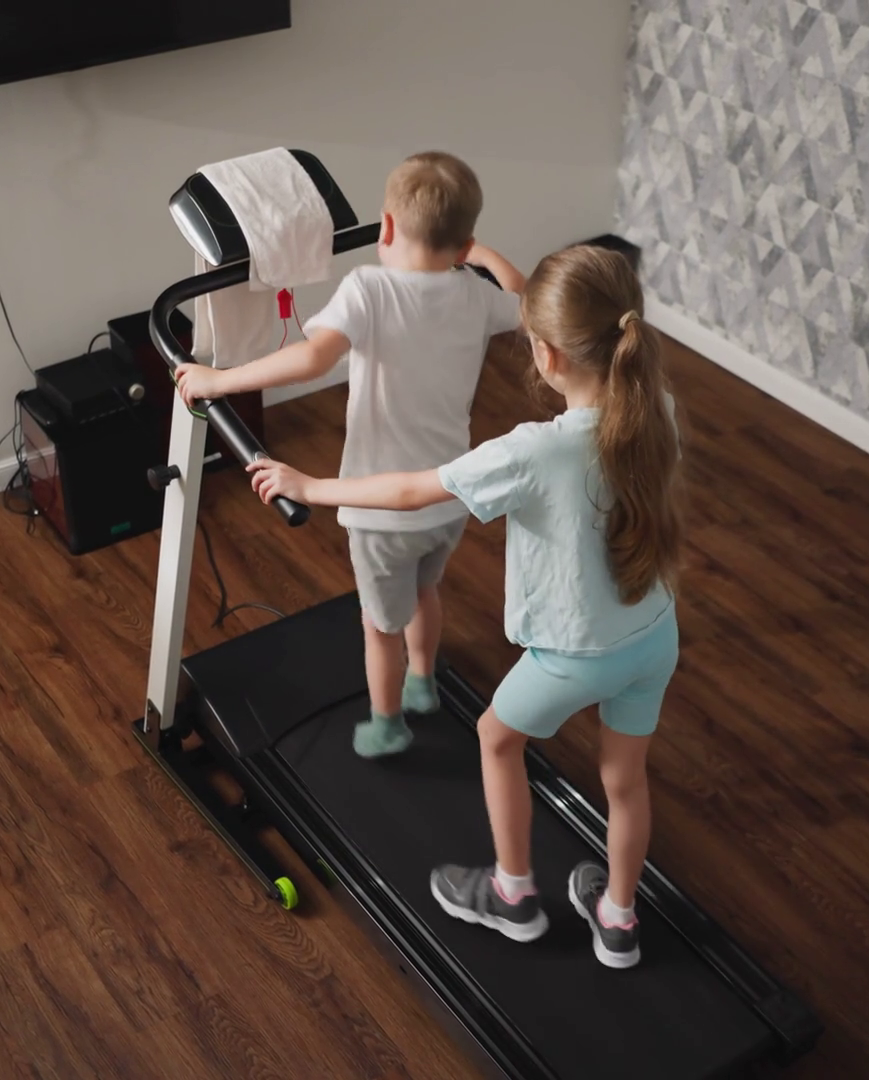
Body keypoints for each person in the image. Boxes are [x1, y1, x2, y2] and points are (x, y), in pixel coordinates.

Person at [247, 245, 684, 969]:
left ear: (545, 355)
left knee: (496, 738)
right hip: (652, 637)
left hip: (572, 656)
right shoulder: (654, 408)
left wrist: (311, 485)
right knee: (624, 781)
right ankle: (617, 919)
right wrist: (490, 259)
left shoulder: (534, 451)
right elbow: (559, 315)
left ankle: (513, 896)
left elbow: (410, 490)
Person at [176, 151, 525, 759]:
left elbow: (312, 358)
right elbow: (526, 302)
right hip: (449, 497)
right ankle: (422, 683)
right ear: (464, 244)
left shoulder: (369, 288)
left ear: (385, 227)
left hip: (380, 511)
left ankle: (388, 724)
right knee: (425, 593)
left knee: (380, 624)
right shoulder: (475, 294)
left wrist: (218, 380)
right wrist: (486, 257)